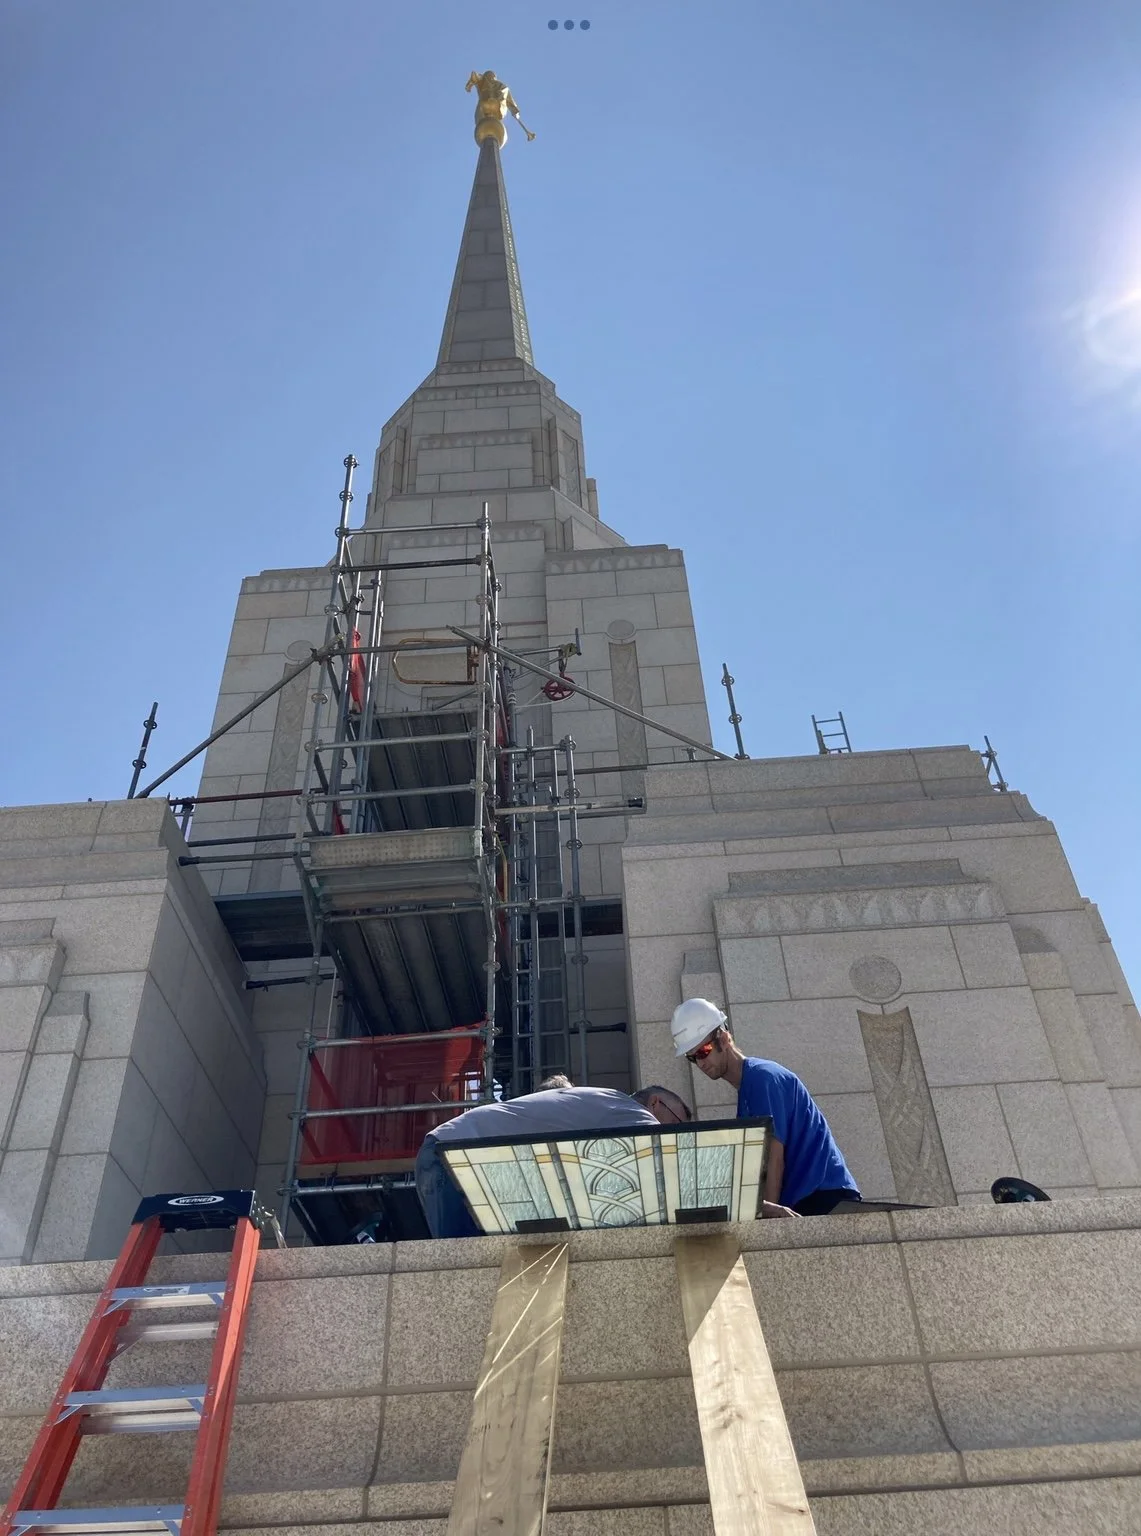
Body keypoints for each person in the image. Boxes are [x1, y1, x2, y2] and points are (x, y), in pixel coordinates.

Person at [415, 1077, 693, 1238]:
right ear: (655, 1102)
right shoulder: (634, 1111)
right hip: (453, 1161)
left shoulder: (604, 1105)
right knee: (465, 1271)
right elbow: (663, 1164)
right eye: (677, 1123)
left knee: (471, 1272)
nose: (676, 1134)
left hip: (452, 1156)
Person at [671, 998, 861, 1216]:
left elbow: (774, 1158)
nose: (701, 1063)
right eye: (692, 1058)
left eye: (703, 1051)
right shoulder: (749, 1089)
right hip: (807, 1199)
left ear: (723, 1039)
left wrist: (766, 1223)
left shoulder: (762, 1078)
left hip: (824, 1196)